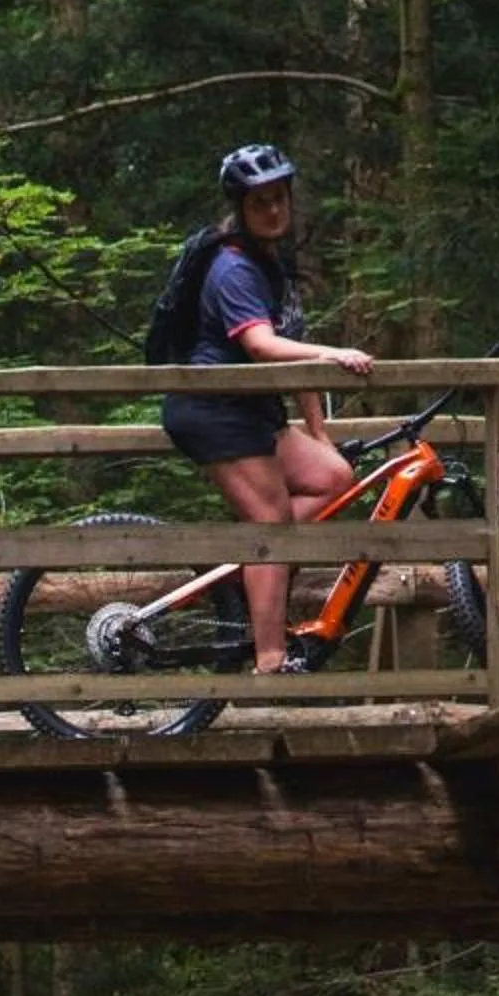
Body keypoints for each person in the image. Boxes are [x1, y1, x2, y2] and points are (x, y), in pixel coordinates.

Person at [160, 143, 373, 673]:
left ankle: (249, 565)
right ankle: (270, 662)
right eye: (261, 203)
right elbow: (262, 346)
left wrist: (319, 435)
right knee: (273, 525)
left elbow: (292, 349)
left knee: (334, 477)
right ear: (240, 208)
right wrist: (335, 353)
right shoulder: (233, 269)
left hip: (254, 412)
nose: (274, 211)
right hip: (213, 410)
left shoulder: (271, 264)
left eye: (280, 199)